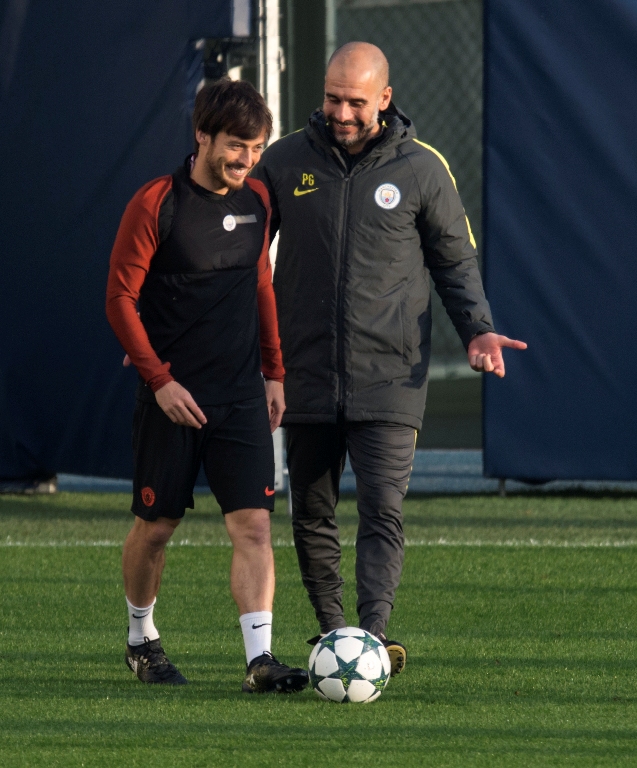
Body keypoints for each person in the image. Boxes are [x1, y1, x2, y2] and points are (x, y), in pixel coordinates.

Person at [253, 42, 526, 673]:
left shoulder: (423, 168)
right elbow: (240, 250)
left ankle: (372, 639)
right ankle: (331, 635)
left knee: (383, 508)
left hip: (391, 373)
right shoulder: (284, 160)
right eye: (331, 97)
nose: (341, 112)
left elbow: (455, 260)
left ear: (385, 97)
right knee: (313, 512)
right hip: (307, 372)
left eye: (354, 100)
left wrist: (479, 330)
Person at [105, 79, 308, 694]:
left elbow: (260, 284)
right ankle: (142, 638)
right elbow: (119, 300)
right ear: (202, 135)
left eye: (257, 147)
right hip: (173, 400)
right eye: (236, 145)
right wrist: (159, 380)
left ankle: (260, 660)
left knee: (253, 526)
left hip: (242, 394)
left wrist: (274, 371)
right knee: (157, 528)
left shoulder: (259, 203)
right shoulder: (156, 203)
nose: (246, 158)